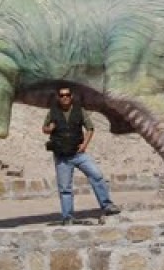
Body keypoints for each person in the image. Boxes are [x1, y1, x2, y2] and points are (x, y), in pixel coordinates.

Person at [42, 87, 121, 225]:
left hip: (78, 154)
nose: (65, 97)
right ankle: (68, 217)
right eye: (62, 95)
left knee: (96, 175)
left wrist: (84, 145)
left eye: (67, 95)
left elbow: (90, 128)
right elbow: (44, 128)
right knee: (65, 188)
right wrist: (50, 128)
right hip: (62, 157)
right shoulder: (52, 112)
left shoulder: (80, 110)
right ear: (58, 97)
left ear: (71, 96)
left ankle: (107, 205)